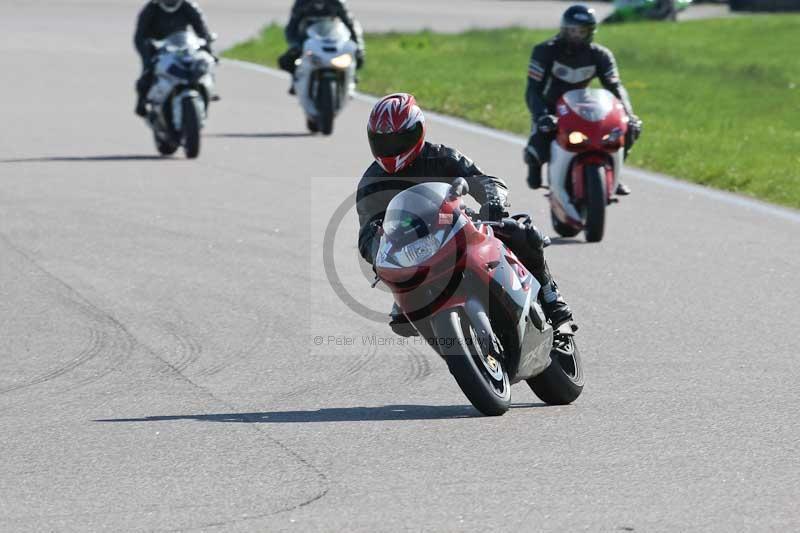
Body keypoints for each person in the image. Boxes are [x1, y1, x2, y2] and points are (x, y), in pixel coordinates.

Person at [357, 93, 574, 337]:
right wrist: (379, 251)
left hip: (456, 226)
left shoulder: (441, 156)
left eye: (400, 139)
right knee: (402, 320)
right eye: (384, 141)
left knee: (523, 234)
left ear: (418, 132)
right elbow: (366, 233)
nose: (392, 148)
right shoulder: (371, 183)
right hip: (414, 255)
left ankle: (554, 303)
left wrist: (493, 201)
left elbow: (486, 181)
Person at [524, 4, 642, 194]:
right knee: (536, 156)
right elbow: (533, 90)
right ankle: (535, 168)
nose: (576, 36)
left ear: (591, 32)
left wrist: (629, 115)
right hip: (551, 107)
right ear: (564, 30)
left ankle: (613, 175)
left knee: (626, 130)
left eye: (582, 32)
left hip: (582, 106)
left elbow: (615, 87)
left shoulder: (601, 55)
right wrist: (541, 115)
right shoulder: (544, 51)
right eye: (572, 31)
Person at [133, 0, 216, 117]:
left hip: (182, 47)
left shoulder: (188, 6)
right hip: (158, 50)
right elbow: (139, 37)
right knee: (147, 75)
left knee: (203, 66)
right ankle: (142, 104)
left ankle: (207, 92)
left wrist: (208, 49)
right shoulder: (151, 9)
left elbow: (202, 30)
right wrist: (147, 54)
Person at [278, 0, 365, 93]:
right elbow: (291, 27)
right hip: (307, 40)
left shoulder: (336, 2)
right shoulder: (302, 3)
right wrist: (295, 45)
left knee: (357, 58)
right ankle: (297, 80)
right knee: (286, 60)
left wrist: (358, 46)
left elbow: (350, 23)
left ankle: (350, 78)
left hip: (333, 39)